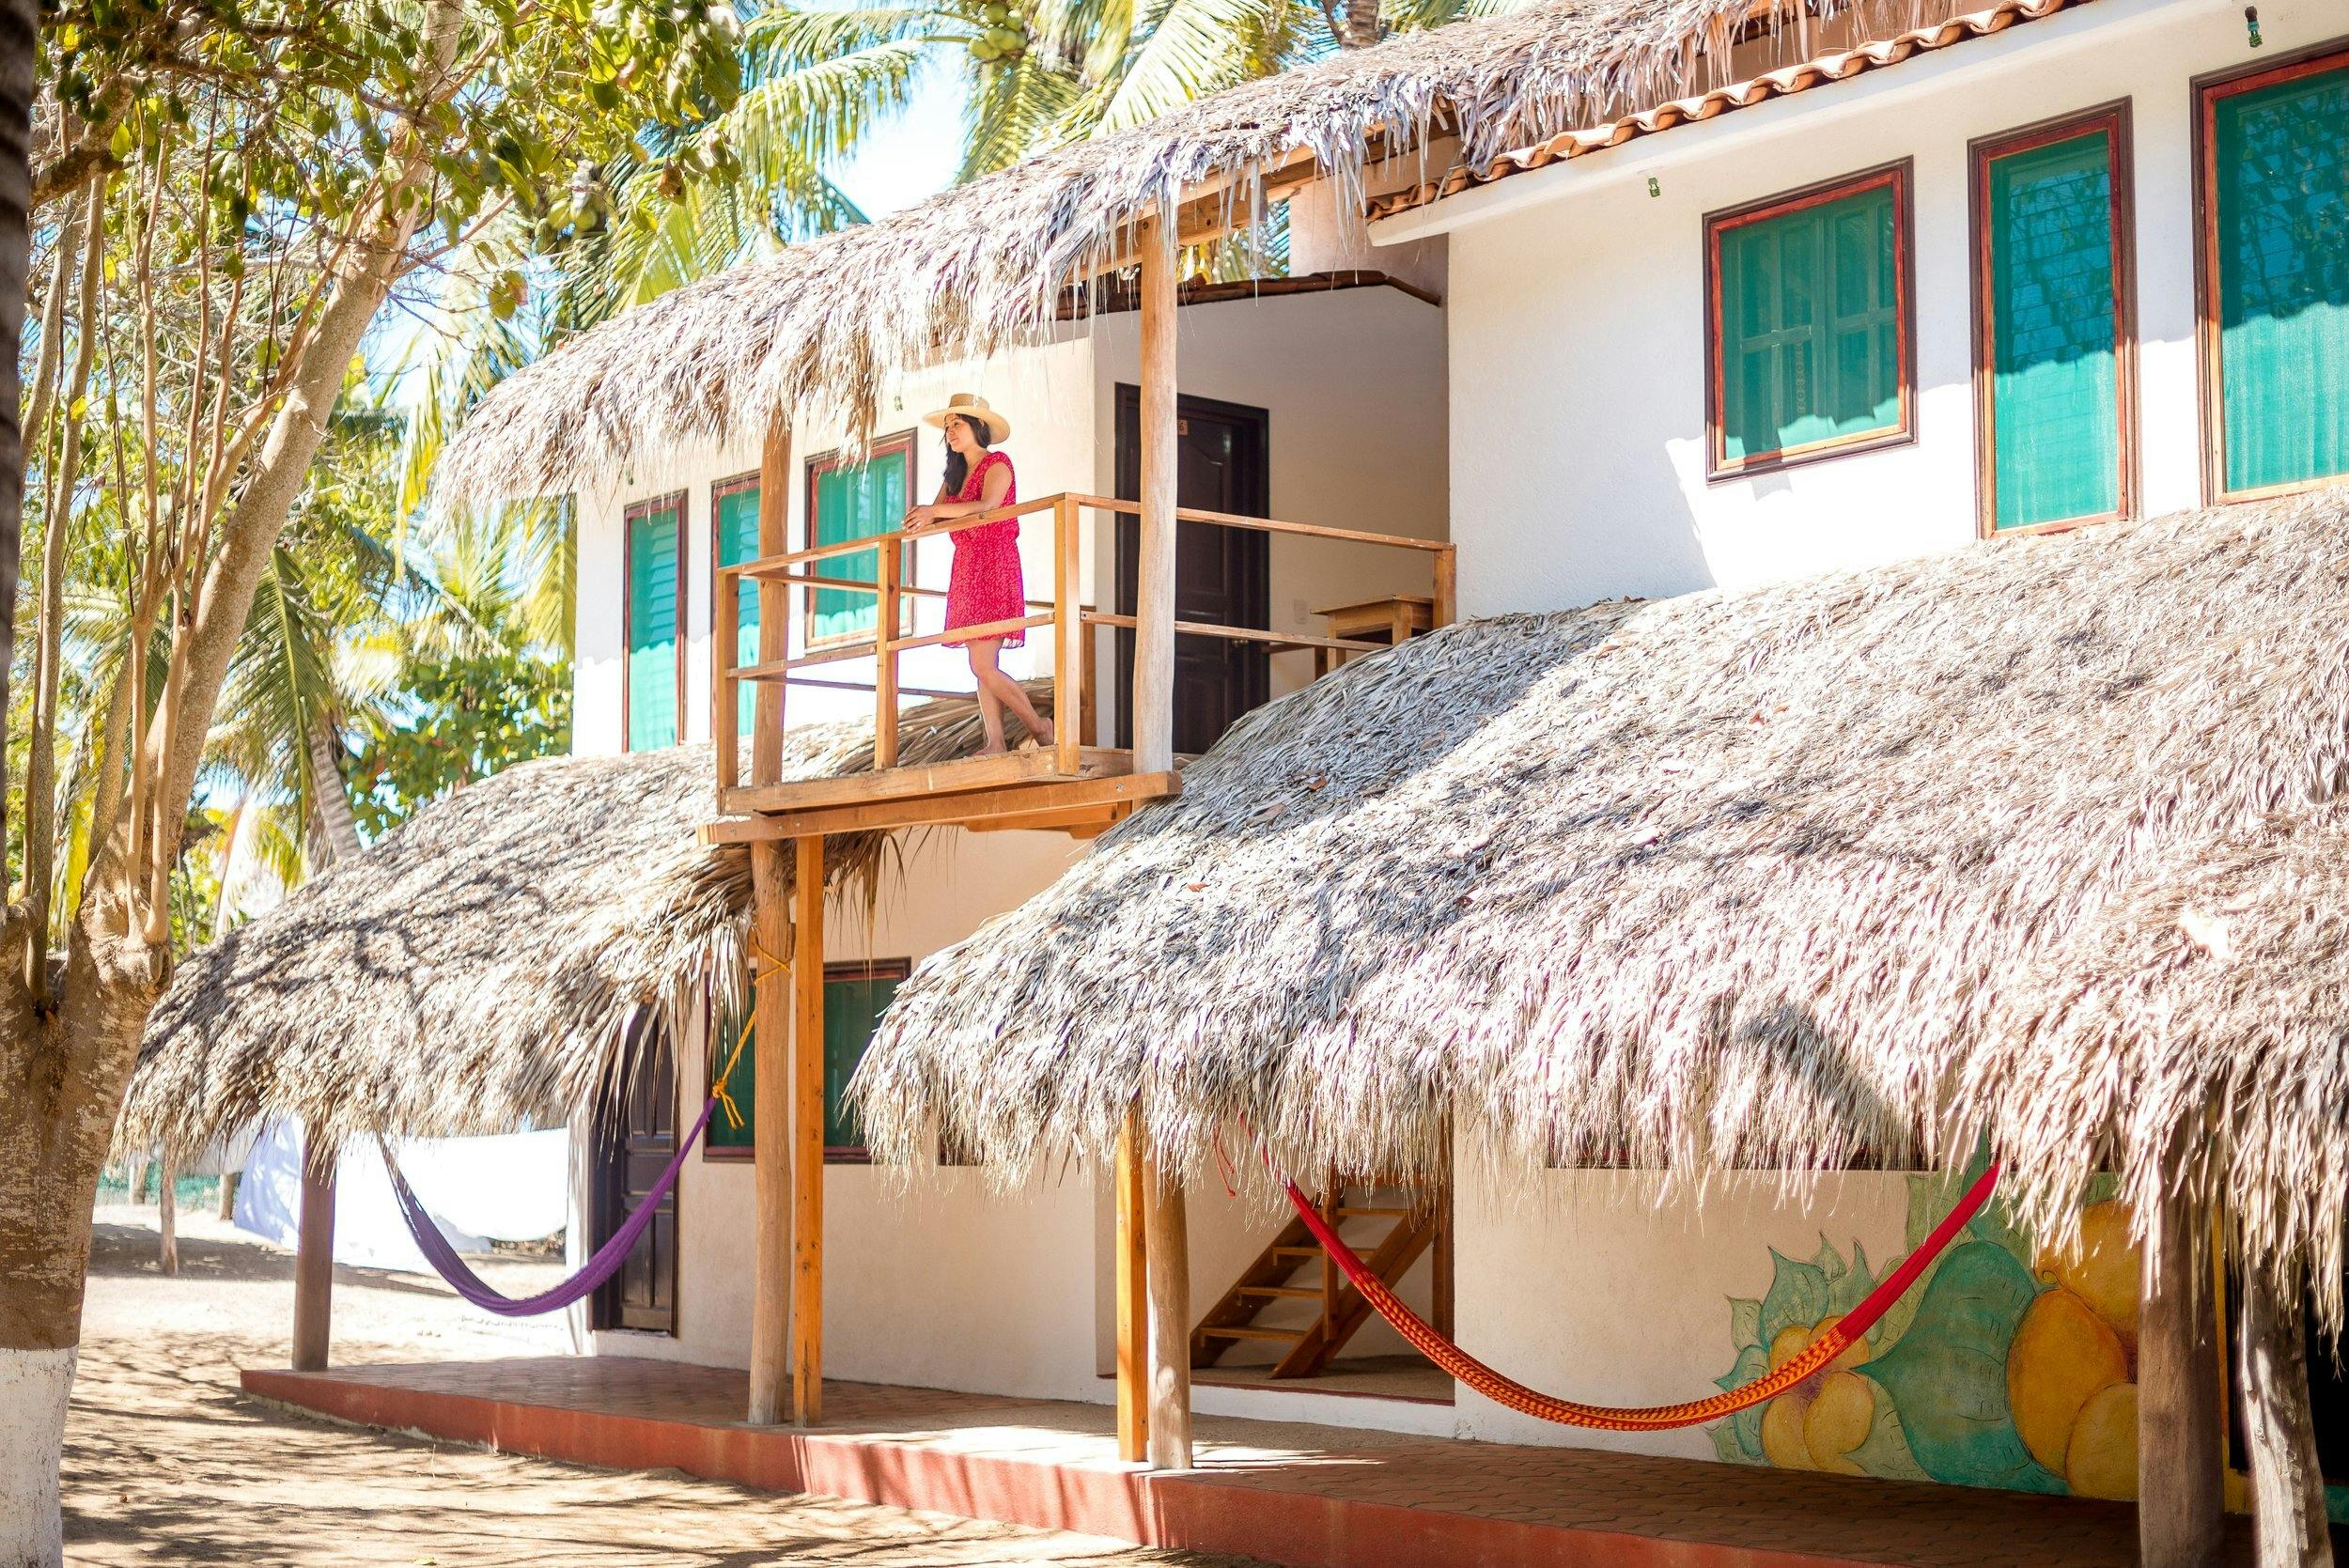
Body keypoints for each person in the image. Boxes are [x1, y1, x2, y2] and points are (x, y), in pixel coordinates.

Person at [905, 393, 1056, 755]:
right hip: (966, 569)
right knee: (982, 665)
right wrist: (918, 518)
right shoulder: (953, 476)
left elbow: (988, 506)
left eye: (958, 423)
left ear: (979, 428)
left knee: (982, 664)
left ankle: (1040, 728)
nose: (951, 431)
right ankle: (995, 742)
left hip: (994, 563)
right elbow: (935, 515)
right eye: (947, 426)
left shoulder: (998, 463)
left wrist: (933, 510)